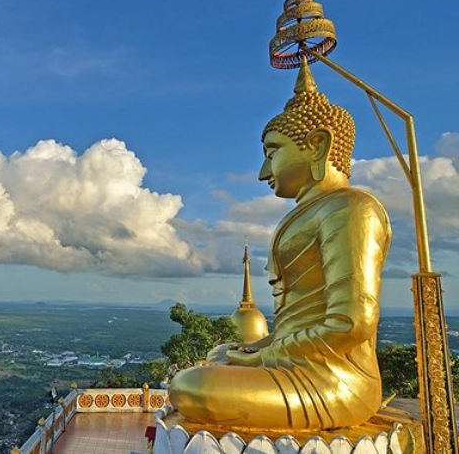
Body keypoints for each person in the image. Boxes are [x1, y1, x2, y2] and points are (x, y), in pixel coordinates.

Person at [168, 57, 392, 431]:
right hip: (295, 364)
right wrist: (253, 349)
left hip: (335, 382)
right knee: (215, 360)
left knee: (191, 387)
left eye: (272, 152)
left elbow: (351, 323)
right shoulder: (312, 213)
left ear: (317, 146)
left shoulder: (352, 209)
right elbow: (296, 324)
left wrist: (261, 359)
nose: (263, 172)